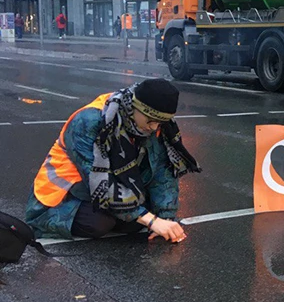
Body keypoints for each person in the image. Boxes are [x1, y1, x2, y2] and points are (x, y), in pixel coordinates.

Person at [26, 79, 201, 241]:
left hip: (107, 187)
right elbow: (96, 179)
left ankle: (122, 212)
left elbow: (163, 172)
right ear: (135, 107)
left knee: (133, 221)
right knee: (100, 223)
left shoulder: (154, 124)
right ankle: (49, 220)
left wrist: (165, 217)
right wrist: (151, 220)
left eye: (160, 123)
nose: (154, 127)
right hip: (61, 196)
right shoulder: (89, 120)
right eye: (151, 120)